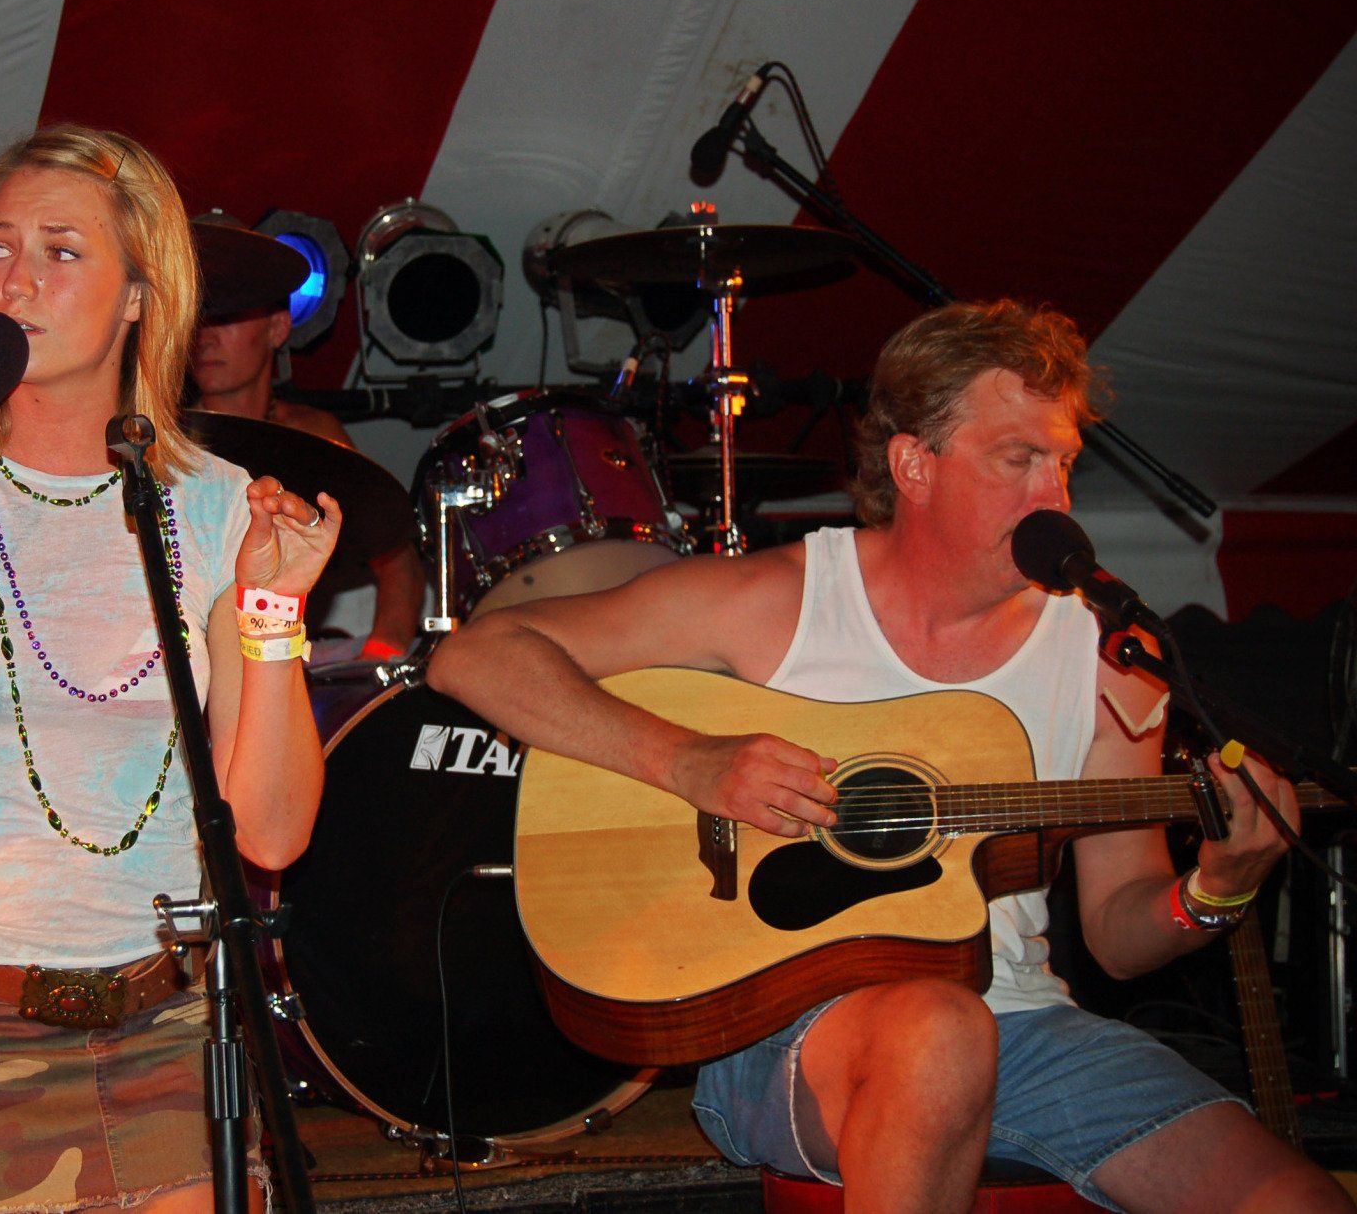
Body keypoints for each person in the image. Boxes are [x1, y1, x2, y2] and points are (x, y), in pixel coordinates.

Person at [428, 300, 1350, 1212]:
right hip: (782, 1022)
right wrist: (689, 760)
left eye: (1062, 463)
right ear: (914, 462)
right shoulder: (777, 599)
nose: (1053, 498)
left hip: (1026, 1025)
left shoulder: (1106, 655)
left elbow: (1117, 928)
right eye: (1017, 459)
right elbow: (473, 655)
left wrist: (1216, 889)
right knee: (940, 1030)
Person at [0, 125, 339, 1213]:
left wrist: (273, 612)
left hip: (161, 1023)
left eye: (62, 252)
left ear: (141, 295)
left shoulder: (214, 502)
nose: (15, 278)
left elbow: (274, 831)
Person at [191, 290, 425, 661]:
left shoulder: (317, 435)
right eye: (198, 318)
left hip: (295, 663)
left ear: (279, 327)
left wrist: (377, 663)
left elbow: (398, 560)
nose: (205, 336)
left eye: (227, 318)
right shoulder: (162, 442)